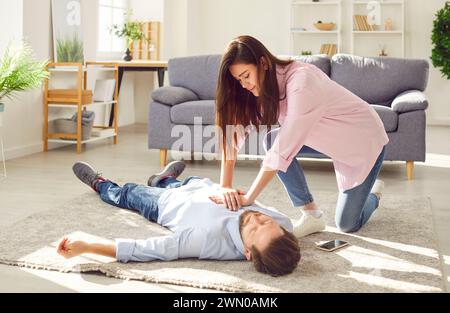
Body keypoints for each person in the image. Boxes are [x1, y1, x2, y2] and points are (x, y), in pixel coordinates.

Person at [212, 35, 388, 237]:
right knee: (270, 139)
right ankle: (311, 214)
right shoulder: (261, 88)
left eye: (246, 75)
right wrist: (225, 186)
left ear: (263, 63)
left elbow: (283, 148)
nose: (244, 85)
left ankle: (373, 193)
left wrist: (249, 197)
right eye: (239, 79)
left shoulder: (301, 82)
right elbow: (234, 133)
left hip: (363, 140)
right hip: (325, 139)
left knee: (347, 224)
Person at [57, 161, 301, 277]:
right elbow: (283, 229)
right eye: (267, 222)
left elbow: (152, 249)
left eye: (255, 231)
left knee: (126, 193)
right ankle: (163, 178)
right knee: (184, 180)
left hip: (163, 203)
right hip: (199, 186)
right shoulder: (283, 225)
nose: (257, 219)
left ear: (248, 252)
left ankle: (100, 184)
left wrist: (89, 246)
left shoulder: (207, 241)